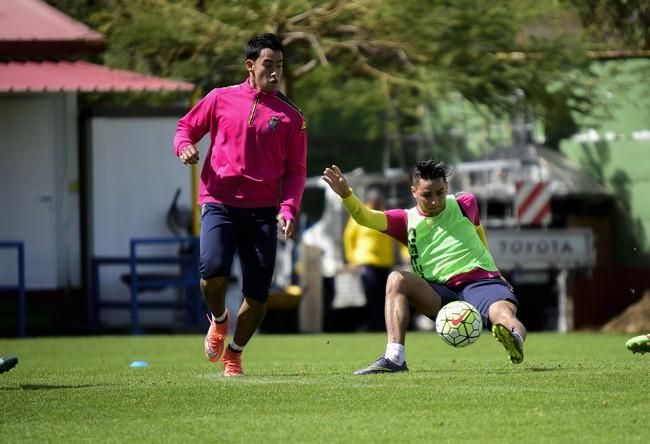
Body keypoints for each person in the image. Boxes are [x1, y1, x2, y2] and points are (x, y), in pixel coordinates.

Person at [173, 33, 307, 377]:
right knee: (212, 271)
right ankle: (219, 321)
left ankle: (235, 352)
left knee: (259, 297)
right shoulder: (220, 99)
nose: (275, 72)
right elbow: (185, 127)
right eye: (268, 65)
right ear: (250, 66)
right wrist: (184, 146)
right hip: (219, 202)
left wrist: (289, 209)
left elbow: (296, 172)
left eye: (280, 65)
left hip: (263, 211)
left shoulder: (292, 117)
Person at [322, 161, 527, 374]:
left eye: (440, 192)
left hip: (480, 281)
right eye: (427, 195)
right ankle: (394, 358)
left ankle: (513, 339)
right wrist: (346, 195)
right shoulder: (405, 220)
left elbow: (478, 233)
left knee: (502, 314)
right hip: (439, 292)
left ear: (447, 187)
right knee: (396, 279)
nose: (435, 200)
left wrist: (495, 272)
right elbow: (364, 217)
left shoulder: (465, 202)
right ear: (413, 191)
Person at [343, 188, 395, 331]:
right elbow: (349, 237)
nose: (377, 204)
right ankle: (373, 324)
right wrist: (352, 259)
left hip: (385, 262)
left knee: (385, 296)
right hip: (366, 261)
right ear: (369, 201)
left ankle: (384, 325)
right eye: (375, 202)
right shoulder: (361, 215)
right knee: (371, 294)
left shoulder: (386, 214)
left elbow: (399, 234)